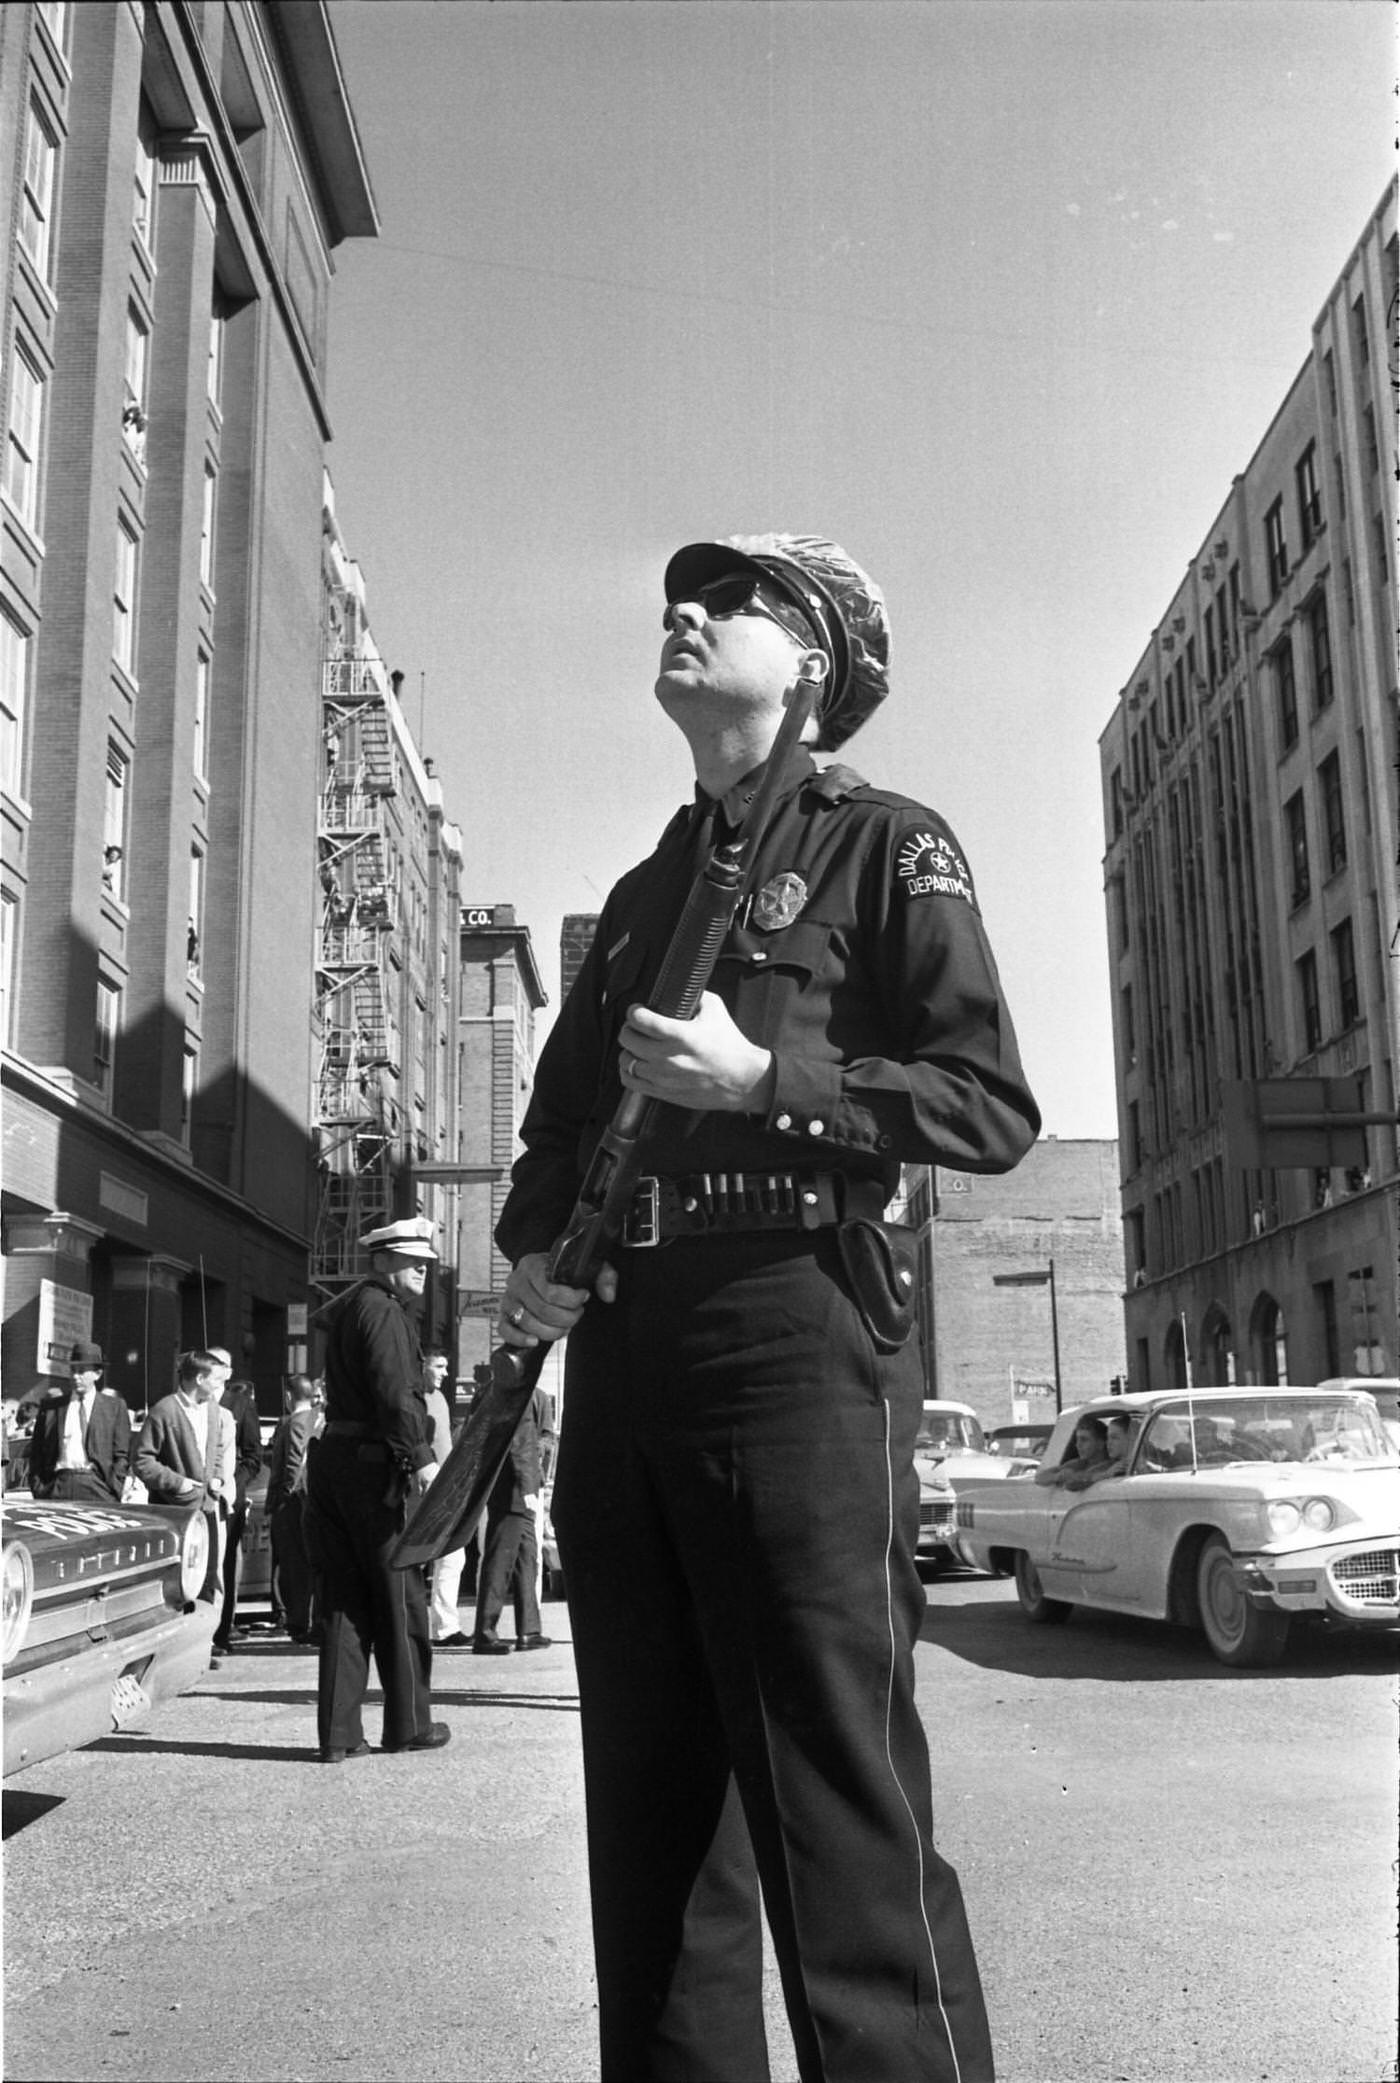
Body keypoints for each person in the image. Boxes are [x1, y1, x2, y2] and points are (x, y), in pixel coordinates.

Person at [495, 534, 1039, 2083]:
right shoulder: (641, 893)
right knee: (655, 1842)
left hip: (797, 1336)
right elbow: (553, 1135)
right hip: (632, 1354)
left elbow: (988, 1101)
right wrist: (537, 1254)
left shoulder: (889, 846)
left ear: (811, 661)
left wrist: (767, 1077)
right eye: (684, 591)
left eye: (731, 598)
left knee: (836, 1812)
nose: (687, 609)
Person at [304, 1215, 448, 1764]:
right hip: (374, 1470)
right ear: (383, 1261)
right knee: (399, 1598)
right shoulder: (385, 1312)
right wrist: (422, 1459)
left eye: (426, 1264)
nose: (422, 1271)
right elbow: (395, 1395)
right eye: (413, 1262)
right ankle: (409, 1725)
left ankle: (339, 1736)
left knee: (343, 1602)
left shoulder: (351, 1309)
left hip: (336, 1463)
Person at [134, 1351, 238, 1610]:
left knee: (208, 1576)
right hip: (176, 1514)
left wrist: (216, 1478)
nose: (219, 1384)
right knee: (179, 1581)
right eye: (215, 1378)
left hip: (207, 1509)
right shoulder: (164, 1410)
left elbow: (214, 1454)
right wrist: (177, 1483)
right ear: (200, 1378)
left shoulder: (214, 1411)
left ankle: (205, 1640)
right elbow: (142, 1460)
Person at [471, 1386, 550, 1655]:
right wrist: (528, 1487)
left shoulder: (489, 1392)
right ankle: (485, 1633)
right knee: (500, 1562)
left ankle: (529, 1630)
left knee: (527, 1557)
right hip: (514, 1488)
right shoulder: (517, 1391)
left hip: (508, 1487)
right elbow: (520, 1443)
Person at [27, 1341, 131, 1504]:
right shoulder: (51, 1407)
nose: (75, 1376)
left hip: (97, 1487)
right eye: (73, 1370)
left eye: (82, 1371)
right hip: (57, 1485)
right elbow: (36, 1453)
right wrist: (40, 1489)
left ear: (97, 1373)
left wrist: (114, 1488)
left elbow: (122, 1454)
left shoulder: (114, 1407)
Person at [422, 1349, 471, 1647]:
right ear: (422, 1366)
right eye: (438, 1366)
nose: (445, 1372)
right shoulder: (415, 1398)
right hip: (421, 1491)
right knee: (412, 1561)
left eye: (446, 1367)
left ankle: (445, 1627)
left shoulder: (439, 1400)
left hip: (445, 1489)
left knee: (453, 1556)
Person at [266, 1375, 320, 1643]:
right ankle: (301, 1620)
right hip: (301, 1503)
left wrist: (287, 1497)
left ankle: (297, 1621)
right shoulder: (314, 1418)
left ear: (289, 1396)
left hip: (291, 1504)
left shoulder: (297, 1422)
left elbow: (294, 1464)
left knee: (292, 1564)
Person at [214, 1373, 262, 1655]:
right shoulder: (193, 1404)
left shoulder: (240, 1405)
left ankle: (222, 1631)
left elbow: (253, 1456)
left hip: (230, 1495)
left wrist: (234, 1483)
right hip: (198, 1495)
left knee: (227, 1563)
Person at [1034, 1414, 1110, 1490]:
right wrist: (1057, 1476)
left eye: (1084, 1440)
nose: (1078, 1445)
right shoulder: (1079, 1464)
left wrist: (1072, 1477)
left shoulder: (1109, 1466)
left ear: (1100, 1444)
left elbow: (1072, 1485)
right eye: (1077, 1440)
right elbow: (1039, 1478)